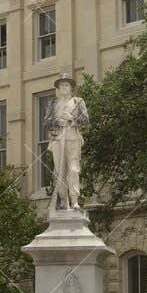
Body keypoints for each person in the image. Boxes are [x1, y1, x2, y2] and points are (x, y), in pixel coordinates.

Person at [45, 73, 89, 209]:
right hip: (58, 139)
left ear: (71, 88)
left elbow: (86, 121)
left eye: (66, 85)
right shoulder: (53, 104)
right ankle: (64, 201)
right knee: (59, 172)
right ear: (58, 88)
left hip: (73, 138)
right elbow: (46, 122)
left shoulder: (78, 102)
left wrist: (71, 118)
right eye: (61, 85)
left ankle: (75, 200)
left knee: (73, 169)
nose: (64, 87)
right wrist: (56, 120)